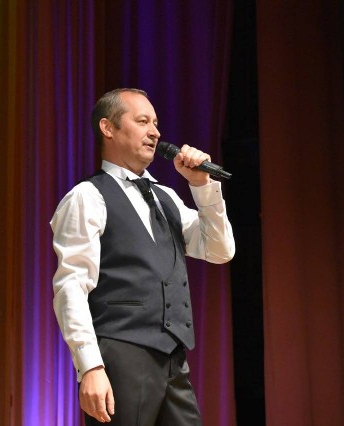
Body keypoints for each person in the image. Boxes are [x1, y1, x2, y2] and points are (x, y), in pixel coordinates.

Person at [50, 88, 235, 425]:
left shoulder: (166, 197)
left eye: (156, 123)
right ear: (108, 128)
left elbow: (219, 250)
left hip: (173, 358)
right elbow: (71, 286)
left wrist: (202, 186)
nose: (155, 132)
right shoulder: (88, 196)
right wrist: (90, 366)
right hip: (121, 355)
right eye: (142, 121)